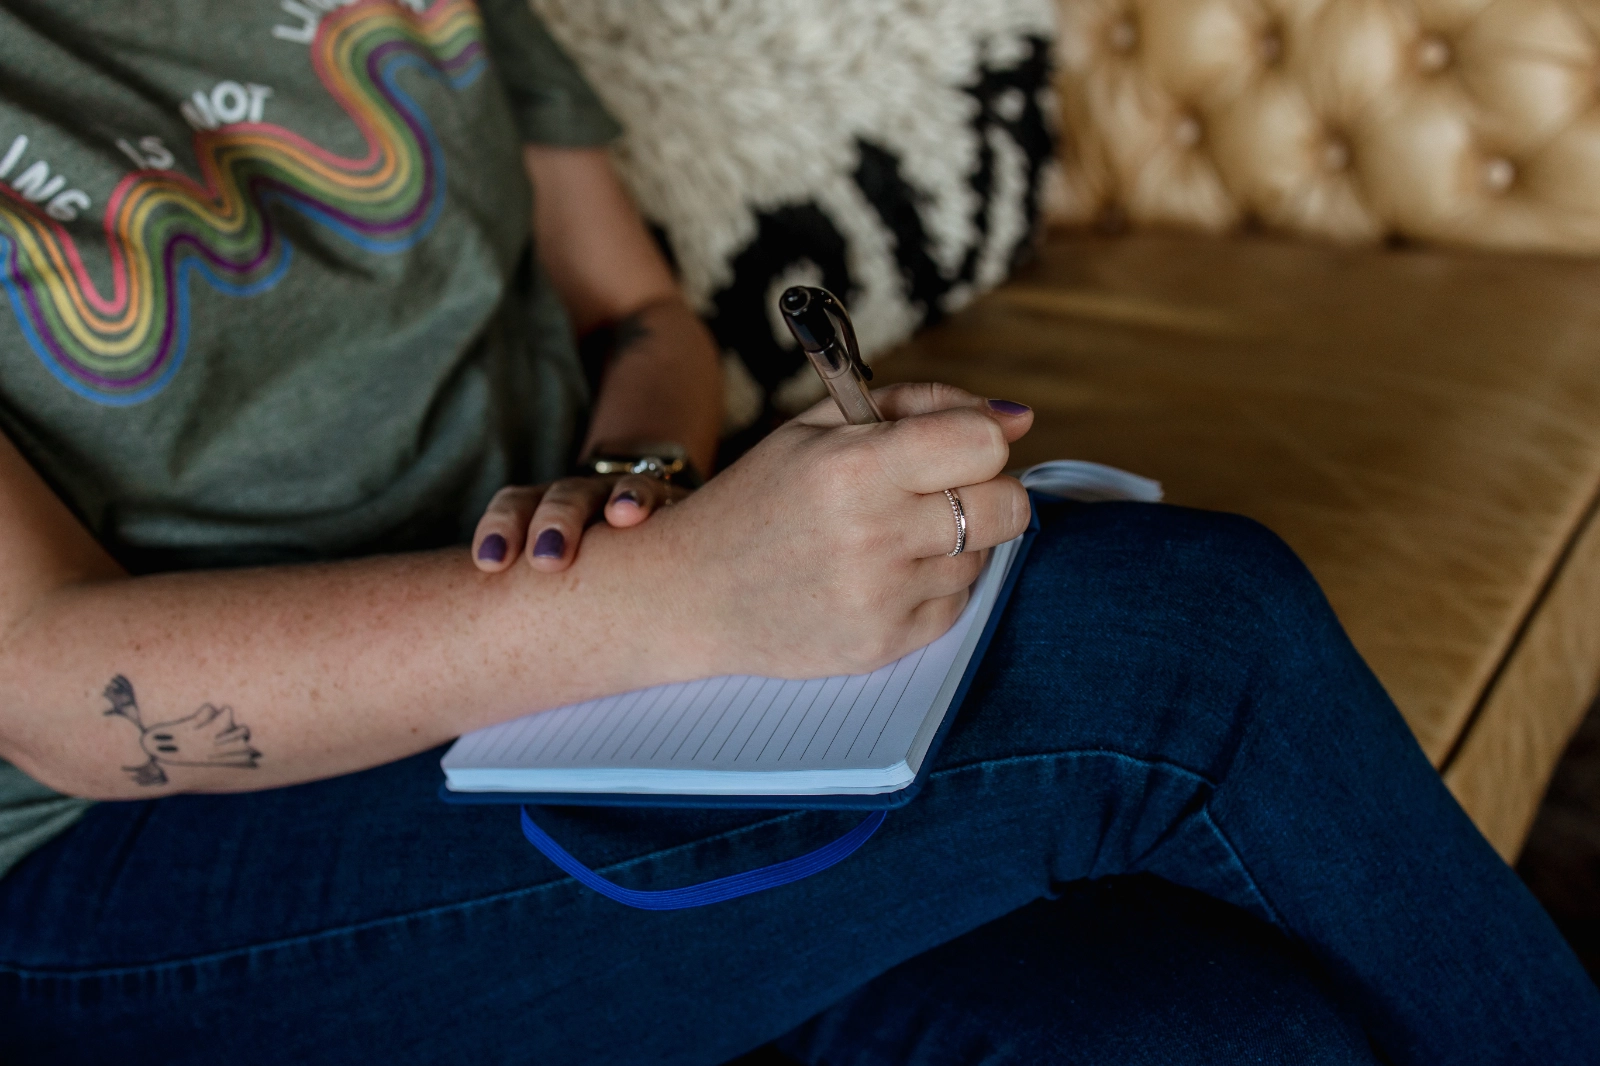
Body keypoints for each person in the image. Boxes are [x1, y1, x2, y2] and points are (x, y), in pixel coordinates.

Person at [0, 2, 1595, 1063]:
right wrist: (671, 596)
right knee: (1179, 641)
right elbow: (55, 684)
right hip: (144, 861)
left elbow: (639, 312)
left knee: (1229, 1030)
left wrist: (626, 491)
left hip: (566, 685)